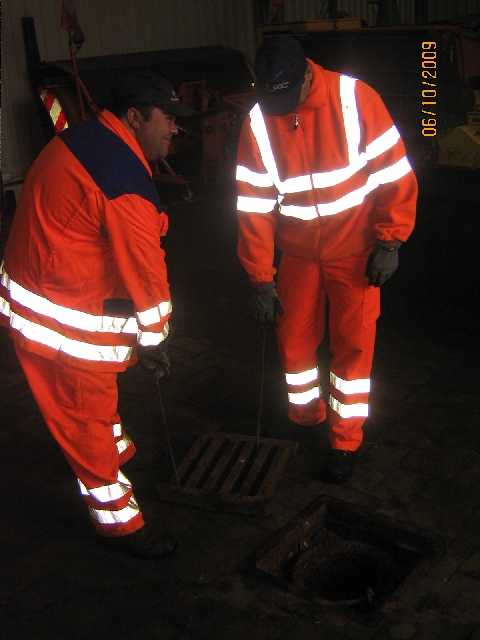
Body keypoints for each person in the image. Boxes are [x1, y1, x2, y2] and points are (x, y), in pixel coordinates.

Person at [0, 71, 196, 558]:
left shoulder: (90, 139)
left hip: (43, 290)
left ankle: (117, 452)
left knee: (94, 397)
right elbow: (147, 275)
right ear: (134, 117)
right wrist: (156, 339)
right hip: (60, 320)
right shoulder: (123, 182)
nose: (176, 129)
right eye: (168, 118)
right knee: (84, 415)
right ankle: (121, 524)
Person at [235, 35, 417, 484]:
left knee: (353, 349)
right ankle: (305, 418)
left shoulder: (355, 98)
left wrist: (390, 243)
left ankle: (344, 442)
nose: (277, 111)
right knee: (293, 343)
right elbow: (254, 205)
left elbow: (395, 172)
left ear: (306, 77)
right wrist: (260, 276)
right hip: (298, 254)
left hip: (356, 252)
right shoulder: (258, 120)